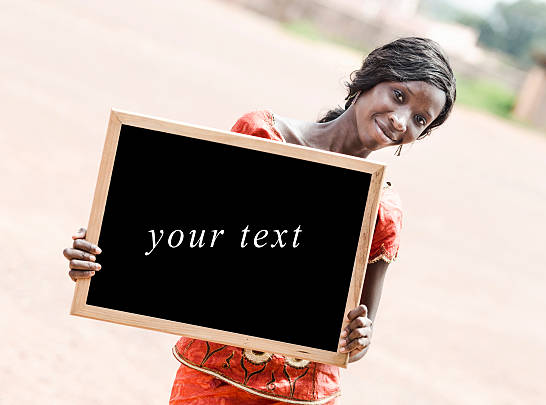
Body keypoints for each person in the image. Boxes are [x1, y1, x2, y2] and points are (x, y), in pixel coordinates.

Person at [63, 37, 456, 404]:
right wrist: (104, 246)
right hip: (210, 378)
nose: (402, 121)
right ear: (369, 80)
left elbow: (357, 341)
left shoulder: (383, 210)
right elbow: (186, 229)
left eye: (421, 119)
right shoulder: (263, 135)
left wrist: (359, 338)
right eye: (398, 96)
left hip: (303, 394)